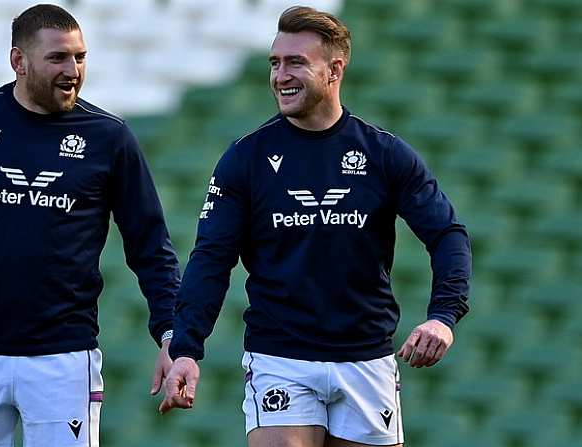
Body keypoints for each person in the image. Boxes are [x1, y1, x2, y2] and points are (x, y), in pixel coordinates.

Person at [160, 6, 471, 447]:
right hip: (280, 355)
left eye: (295, 63)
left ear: (335, 69)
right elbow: (211, 258)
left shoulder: (384, 154)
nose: (280, 75)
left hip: (366, 357)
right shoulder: (246, 158)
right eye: (274, 63)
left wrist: (443, 317)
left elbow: (447, 235)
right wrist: (187, 347)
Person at [0, 4, 180, 446]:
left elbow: (151, 246)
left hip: (63, 358)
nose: (73, 70)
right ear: (18, 61)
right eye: (58, 58)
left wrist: (170, 331)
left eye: (80, 57)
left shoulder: (108, 137)